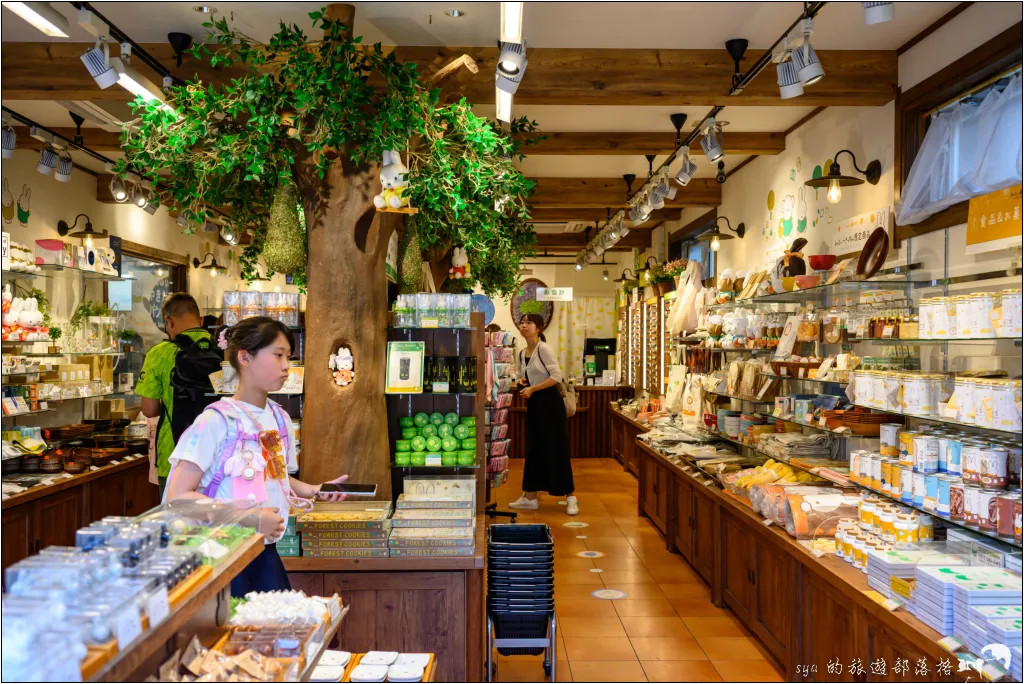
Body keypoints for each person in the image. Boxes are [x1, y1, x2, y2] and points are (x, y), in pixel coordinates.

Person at [163, 317, 349, 594]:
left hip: (263, 552)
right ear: (245, 357)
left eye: (289, 356)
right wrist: (248, 518)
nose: (287, 366)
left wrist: (312, 490)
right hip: (218, 555)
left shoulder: (280, 417)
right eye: (278, 355)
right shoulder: (215, 421)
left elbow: (274, 477)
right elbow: (177, 498)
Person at [136, 293, 211, 497]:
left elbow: (149, 409)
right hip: (218, 455)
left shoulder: (159, 353)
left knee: (177, 522)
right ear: (201, 321)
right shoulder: (224, 349)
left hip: (175, 452)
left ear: (169, 322)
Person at [508, 313, 577, 515]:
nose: (524, 325)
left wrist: (532, 389)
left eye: (529, 322)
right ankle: (529, 497)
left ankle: (571, 497)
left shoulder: (543, 349)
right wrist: (522, 383)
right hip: (535, 406)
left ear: (539, 328)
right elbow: (523, 376)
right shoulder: (522, 353)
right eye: (522, 322)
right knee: (534, 450)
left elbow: (556, 377)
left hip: (551, 405)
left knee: (557, 449)